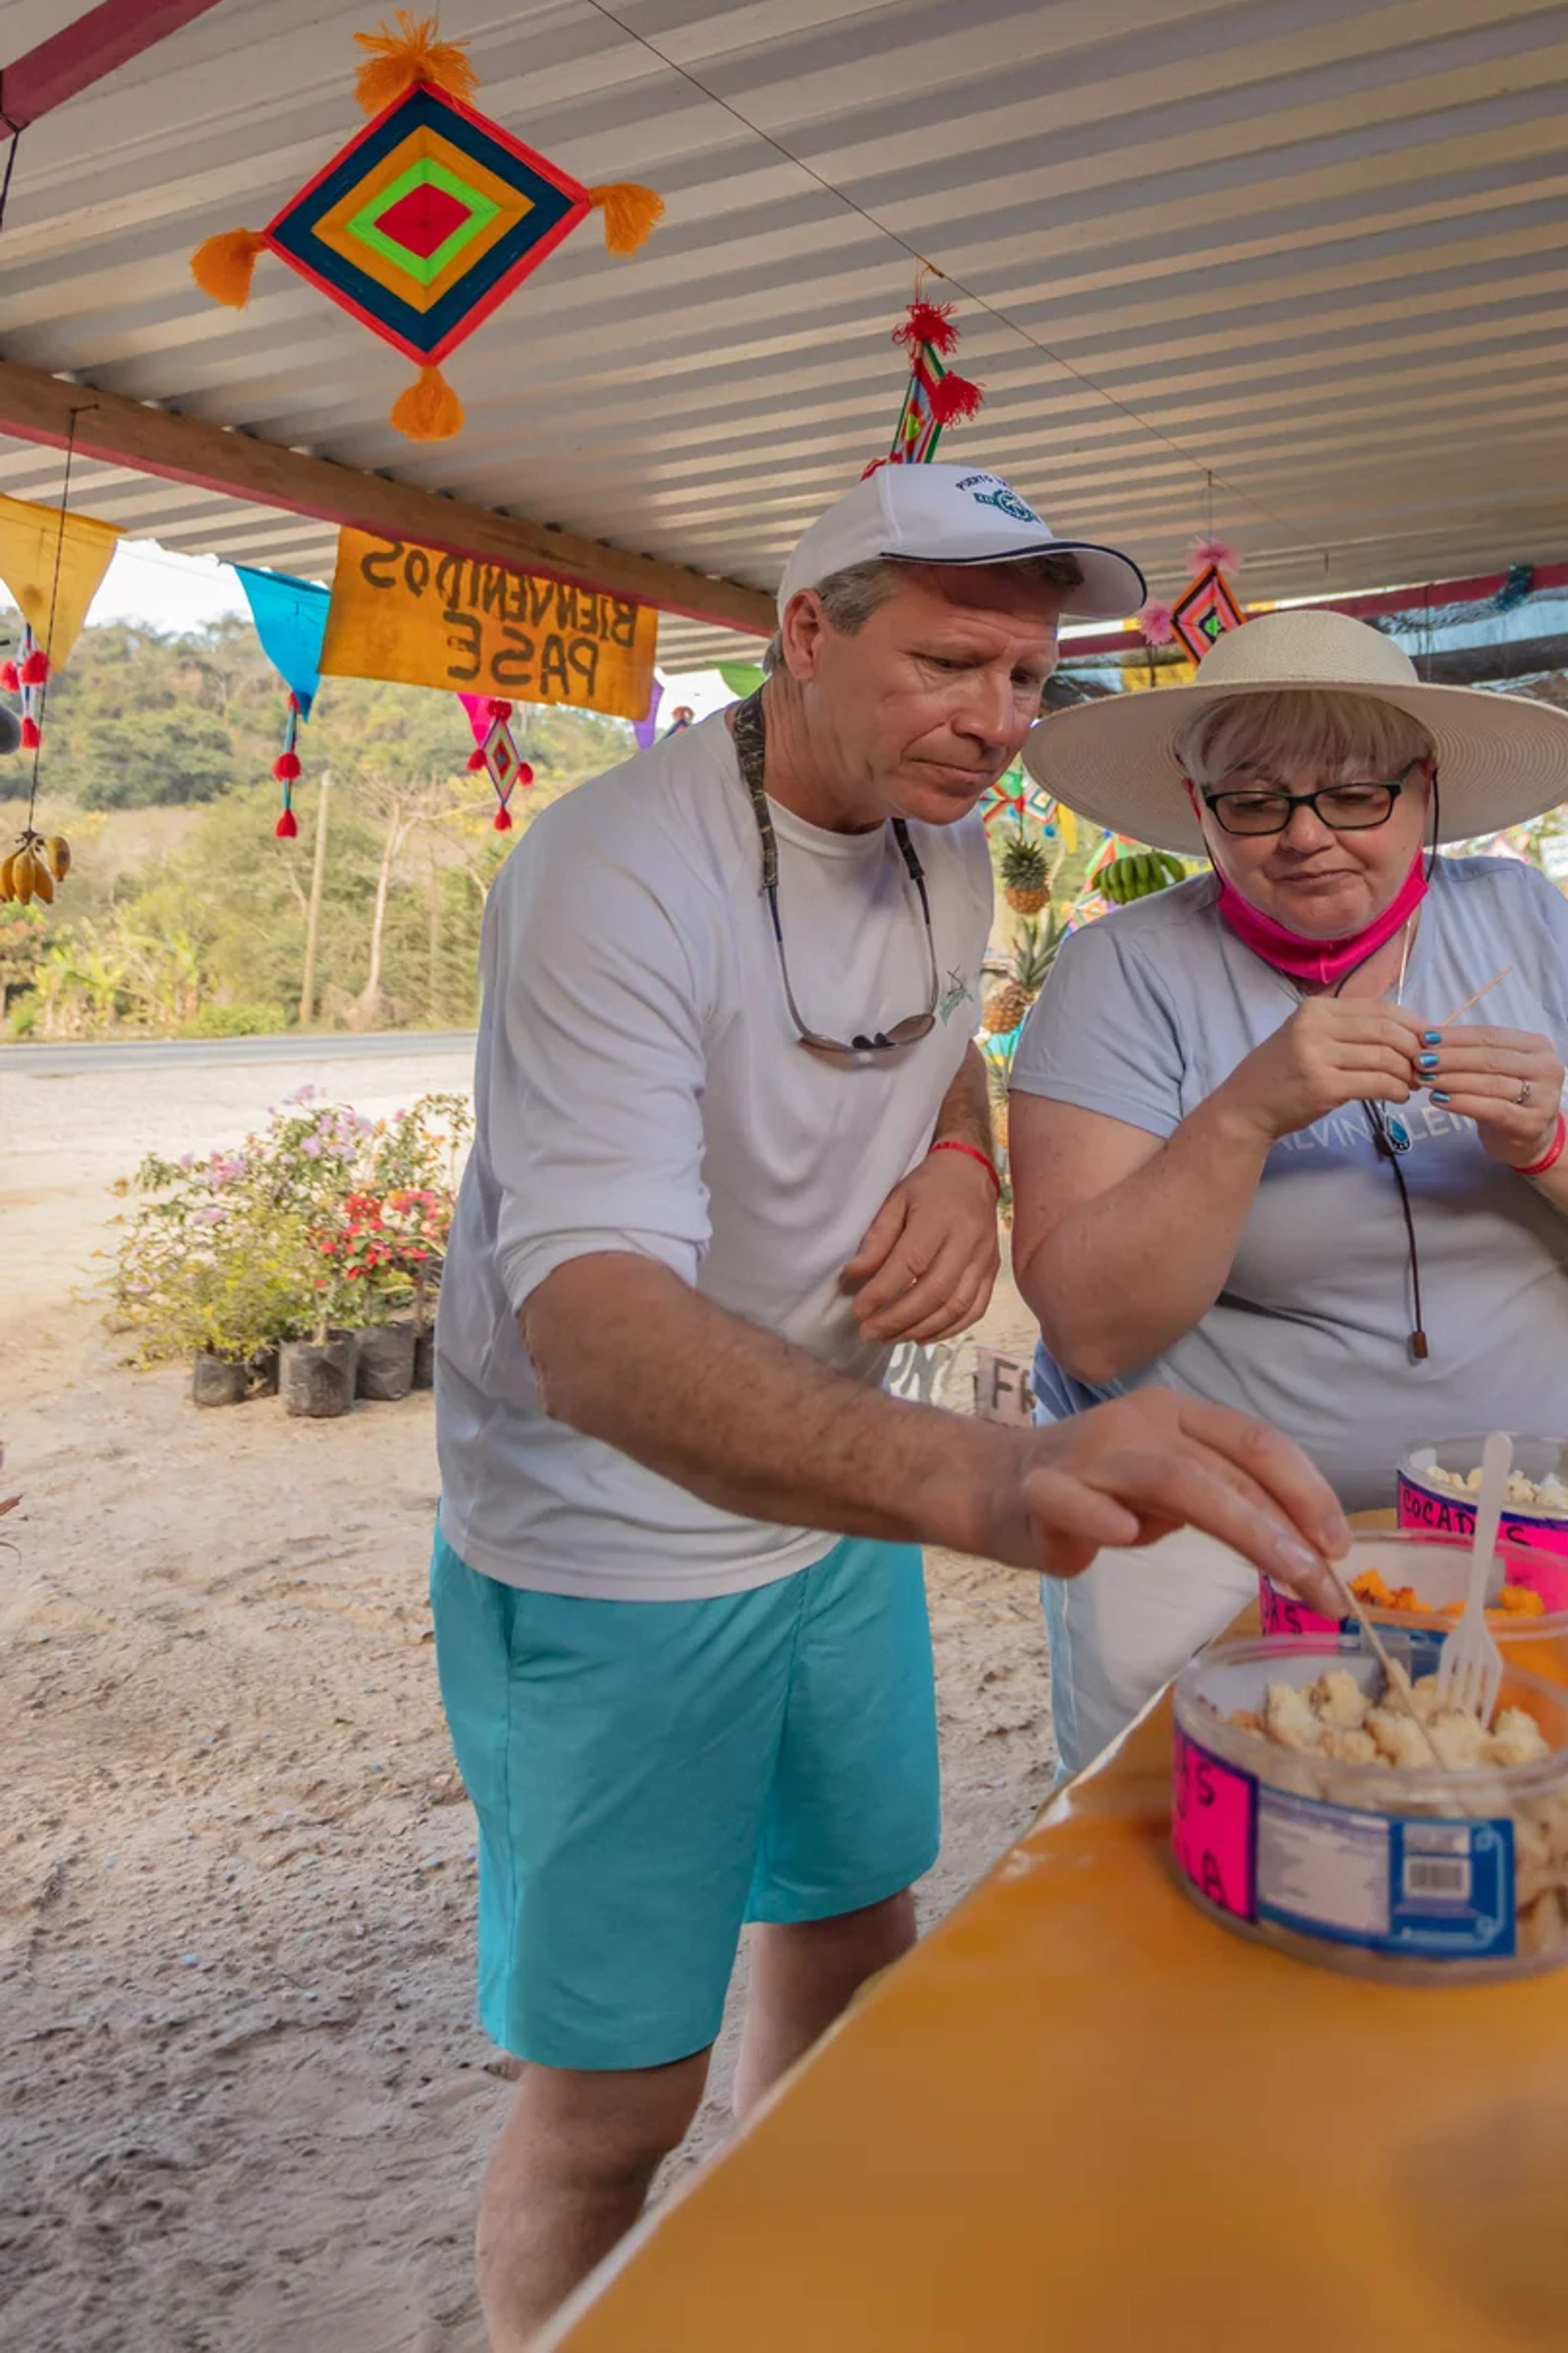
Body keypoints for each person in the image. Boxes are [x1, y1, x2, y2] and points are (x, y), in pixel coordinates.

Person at [429, 461, 1353, 2351]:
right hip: (612, 1538)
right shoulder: (611, 869)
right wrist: (993, 1474)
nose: (999, 723)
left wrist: (964, 1171)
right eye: (950, 664)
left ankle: (800, 2303)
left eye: (1027, 678)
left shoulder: (945, 847)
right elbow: (597, 1329)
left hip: (827, 1498)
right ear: (801, 632)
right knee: (618, 2099)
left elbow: (926, 1071)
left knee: (858, 1940)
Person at [1009, 610, 1568, 1774]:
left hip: (1505, 1531)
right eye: (1252, 801)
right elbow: (1088, 1319)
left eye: (1356, 795)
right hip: (1206, 1541)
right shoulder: (1126, 970)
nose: (1306, 838)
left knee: (1496, 1825)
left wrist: (1556, 1144)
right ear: (1196, 804)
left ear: (1425, 787)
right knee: (1193, 1859)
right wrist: (1244, 1114)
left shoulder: (1522, 922)